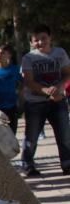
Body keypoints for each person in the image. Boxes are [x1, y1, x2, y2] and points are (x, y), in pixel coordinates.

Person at [20, 24, 70, 176]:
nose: (40, 42)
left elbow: (67, 74)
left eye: (43, 38)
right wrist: (47, 92)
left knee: (64, 135)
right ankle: (27, 165)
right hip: (35, 103)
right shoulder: (28, 58)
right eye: (36, 40)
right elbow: (29, 81)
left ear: (50, 38)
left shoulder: (60, 53)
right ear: (31, 42)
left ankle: (67, 164)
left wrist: (60, 87)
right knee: (32, 136)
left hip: (58, 100)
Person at [0, 44, 21, 135]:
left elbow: (23, 85)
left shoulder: (15, 70)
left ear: (9, 55)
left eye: (2, 53)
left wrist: (19, 98)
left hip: (11, 107)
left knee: (11, 135)